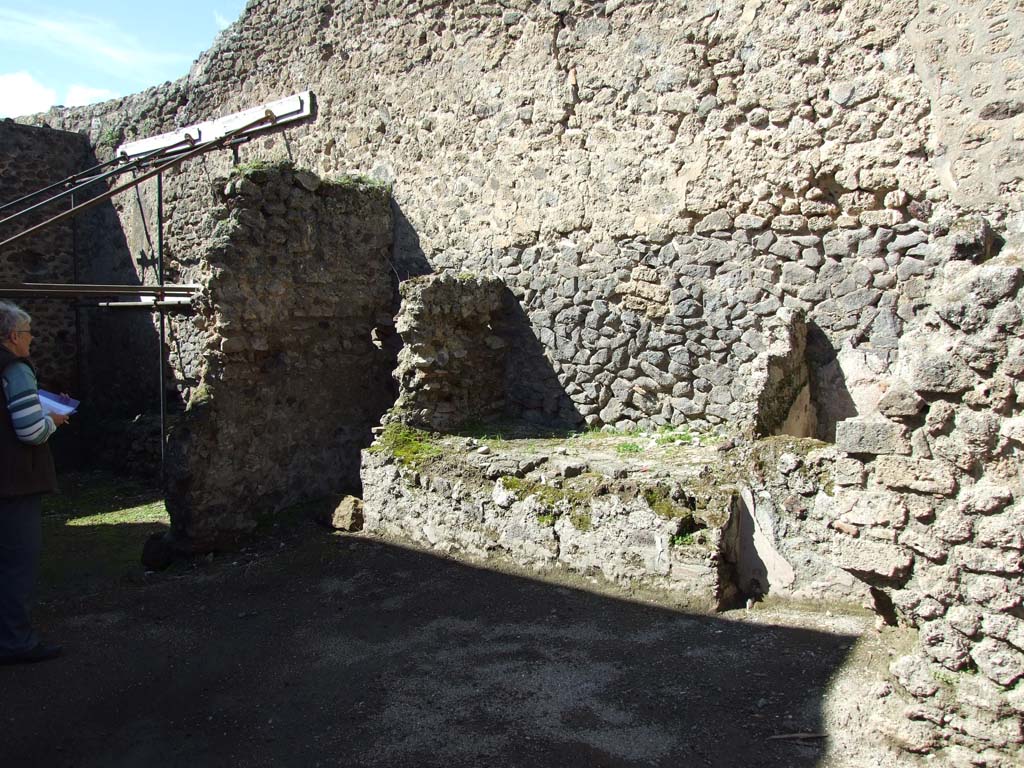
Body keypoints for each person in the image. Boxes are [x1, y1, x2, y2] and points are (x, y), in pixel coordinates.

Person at [0, 300, 68, 664]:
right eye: (28, 334)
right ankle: (16, 642)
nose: (32, 340)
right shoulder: (15, 367)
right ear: (13, 336)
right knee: (16, 563)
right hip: (14, 482)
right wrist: (52, 421)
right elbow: (29, 430)